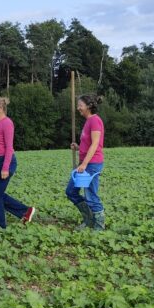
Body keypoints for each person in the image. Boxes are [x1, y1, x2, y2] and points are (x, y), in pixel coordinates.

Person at [0, 97, 35, 230]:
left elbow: (9, 147)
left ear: (0, 108)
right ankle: (25, 212)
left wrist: (5, 167)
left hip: (6, 161)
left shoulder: (7, 123)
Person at [66, 94, 105, 230]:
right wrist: (78, 147)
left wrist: (83, 164)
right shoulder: (88, 121)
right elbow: (88, 144)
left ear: (88, 106)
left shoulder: (95, 121)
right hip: (85, 164)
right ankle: (88, 219)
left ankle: (99, 226)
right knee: (71, 191)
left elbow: (95, 145)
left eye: (80, 105)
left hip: (92, 164)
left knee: (90, 195)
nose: (78, 108)